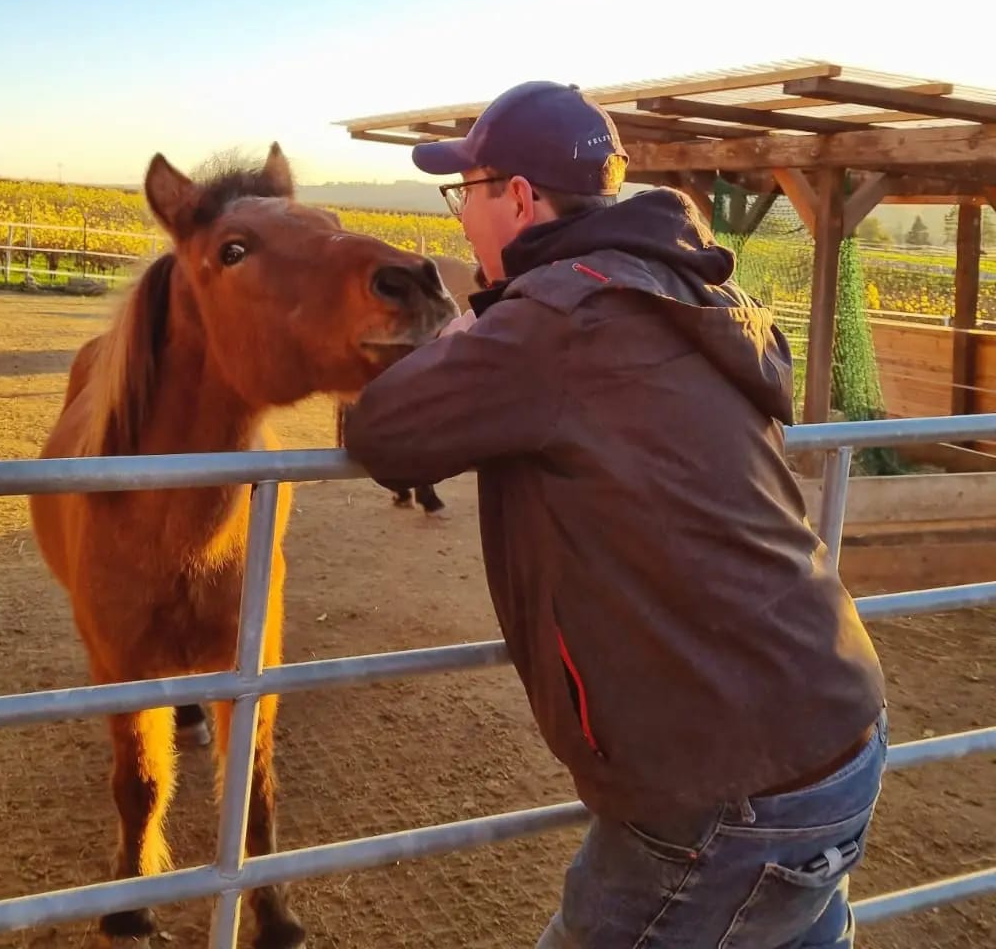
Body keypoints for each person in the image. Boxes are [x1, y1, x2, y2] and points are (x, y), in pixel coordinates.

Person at [341, 80, 887, 948]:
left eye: (465, 193)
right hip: (839, 731)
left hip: (725, 789)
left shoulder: (555, 319)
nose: (460, 219)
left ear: (517, 197)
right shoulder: (690, 290)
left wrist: (457, 341)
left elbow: (381, 434)